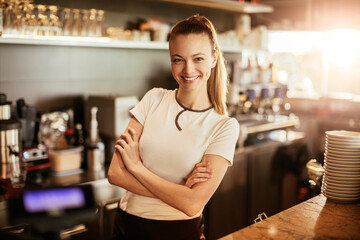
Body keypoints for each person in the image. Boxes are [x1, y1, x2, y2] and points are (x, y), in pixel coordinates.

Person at [108, 15, 239, 240]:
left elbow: (192, 204)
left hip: (178, 232)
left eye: (198, 58)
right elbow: (115, 173)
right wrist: (180, 191)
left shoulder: (224, 126)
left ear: (214, 58)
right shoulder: (153, 99)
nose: (188, 70)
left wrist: (137, 167)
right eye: (178, 59)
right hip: (127, 227)